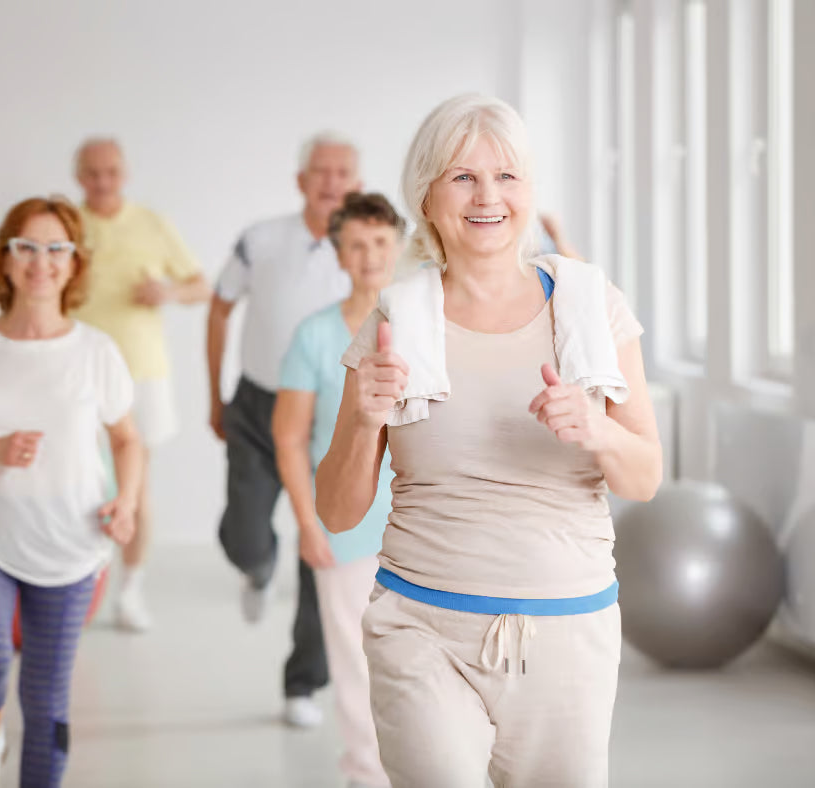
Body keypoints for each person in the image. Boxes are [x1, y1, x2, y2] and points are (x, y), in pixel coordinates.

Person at [316, 94, 662, 787]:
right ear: (428, 195)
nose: (488, 197)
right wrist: (363, 419)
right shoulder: (398, 317)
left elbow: (644, 477)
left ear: (529, 190)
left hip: (568, 631)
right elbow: (337, 512)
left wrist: (595, 430)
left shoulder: (589, 305)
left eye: (506, 176)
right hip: (422, 627)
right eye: (463, 177)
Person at [0, 196, 144, 787]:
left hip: (71, 547)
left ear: (74, 265)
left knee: (46, 708)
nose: (41, 261)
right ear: (5, 259)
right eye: (27, 246)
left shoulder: (97, 352)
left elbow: (128, 441)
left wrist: (126, 502)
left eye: (56, 249)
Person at [206, 131, 361, 728]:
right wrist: (213, 393)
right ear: (301, 181)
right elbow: (219, 306)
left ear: (356, 183)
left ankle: (303, 682)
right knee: (244, 533)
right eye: (320, 171)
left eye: (343, 172)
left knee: (322, 548)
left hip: (329, 413)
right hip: (255, 404)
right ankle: (256, 565)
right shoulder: (261, 240)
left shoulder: (366, 249)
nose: (331, 181)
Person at [273, 193, 403, 788]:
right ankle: (367, 777)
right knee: (356, 669)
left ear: (398, 244)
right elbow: (291, 438)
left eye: (380, 241)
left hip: (423, 525)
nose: (370, 255)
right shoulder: (315, 335)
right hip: (347, 531)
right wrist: (307, 524)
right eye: (356, 244)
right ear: (339, 253)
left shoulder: (424, 323)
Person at [71, 138, 209, 632]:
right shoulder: (67, 225)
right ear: (78, 176)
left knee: (135, 486)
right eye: (92, 173)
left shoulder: (152, 223)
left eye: (110, 171)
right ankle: (78, 586)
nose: (102, 181)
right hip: (76, 371)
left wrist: (167, 291)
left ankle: (130, 592)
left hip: (142, 371)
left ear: (124, 172)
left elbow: (201, 286)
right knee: (75, 481)